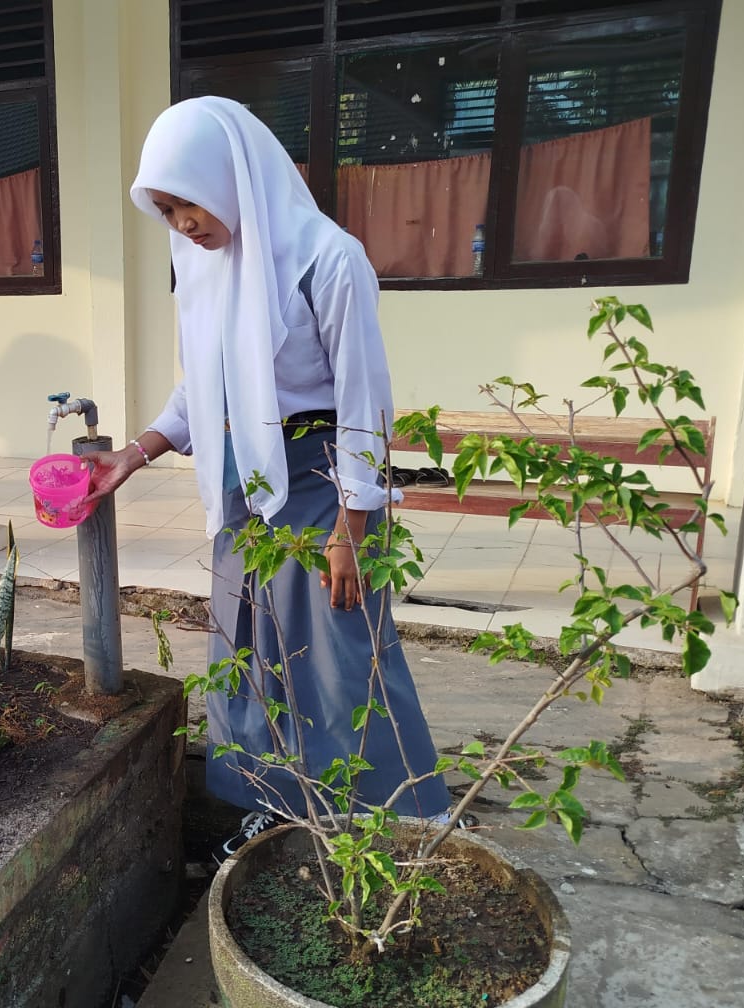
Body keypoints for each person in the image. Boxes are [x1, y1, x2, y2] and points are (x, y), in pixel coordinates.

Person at [83, 97, 452, 855]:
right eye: (167, 208)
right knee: (249, 644)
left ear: (230, 175)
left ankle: (394, 817)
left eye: (188, 201)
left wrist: (352, 532)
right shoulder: (208, 264)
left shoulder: (328, 258)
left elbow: (363, 403)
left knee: (340, 651)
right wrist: (137, 451)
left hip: (324, 484)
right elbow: (201, 386)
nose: (182, 223)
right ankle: (275, 807)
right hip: (243, 481)